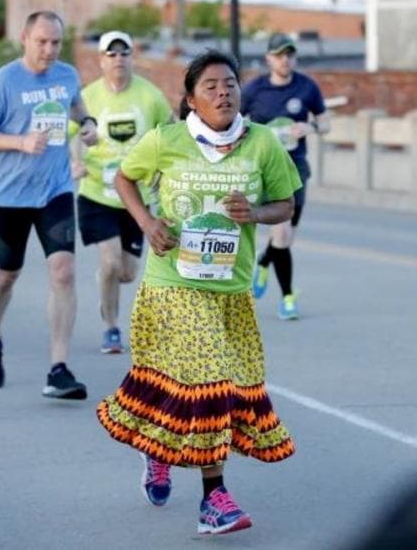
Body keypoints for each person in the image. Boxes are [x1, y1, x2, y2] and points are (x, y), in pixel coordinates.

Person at [97, 49, 299, 535]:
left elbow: (285, 204)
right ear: (191, 99)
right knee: (212, 381)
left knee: (190, 384)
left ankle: (157, 447)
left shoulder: (262, 143)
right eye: (210, 86)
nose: (223, 92)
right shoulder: (166, 140)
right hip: (173, 283)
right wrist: (147, 223)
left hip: (229, 288)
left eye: (230, 83)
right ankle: (214, 500)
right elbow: (125, 178)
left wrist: (254, 213)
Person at [0, 10, 98, 399]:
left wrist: (88, 123)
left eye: (56, 42)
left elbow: (76, 104)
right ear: (24, 39)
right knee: (6, 275)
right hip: (11, 194)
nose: (49, 50)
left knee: (63, 271)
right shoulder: (3, 82)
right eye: (42, 42)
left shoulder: (66, 75)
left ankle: (59, 369)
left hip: (55, 190)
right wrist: (19, 142)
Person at [70, 30, 173, 354]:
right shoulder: (87, 98)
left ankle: (107, 283)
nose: (118, 59)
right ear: (101, 60)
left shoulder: (150, 96)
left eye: (124, 53)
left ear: (132, 58)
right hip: (97, 193)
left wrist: (165, 171)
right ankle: (111, 327)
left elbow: (172, 133)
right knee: (111, 260)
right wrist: (73, 163)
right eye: (111, 54)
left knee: (126, 273)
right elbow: (63, 134)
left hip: (136, 198)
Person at [240, 32, 330, 320]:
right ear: (269, 58)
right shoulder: (254, 90)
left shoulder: (307, 87)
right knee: (281, 232)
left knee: (286, 237)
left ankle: (264, 261)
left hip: (297, 167)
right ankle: (288, 297)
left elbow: (325, 122)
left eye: (289, 54)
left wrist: (310, 128)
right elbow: (234, 121)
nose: (285, 60)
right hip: (266, 170)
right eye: (279, 55)